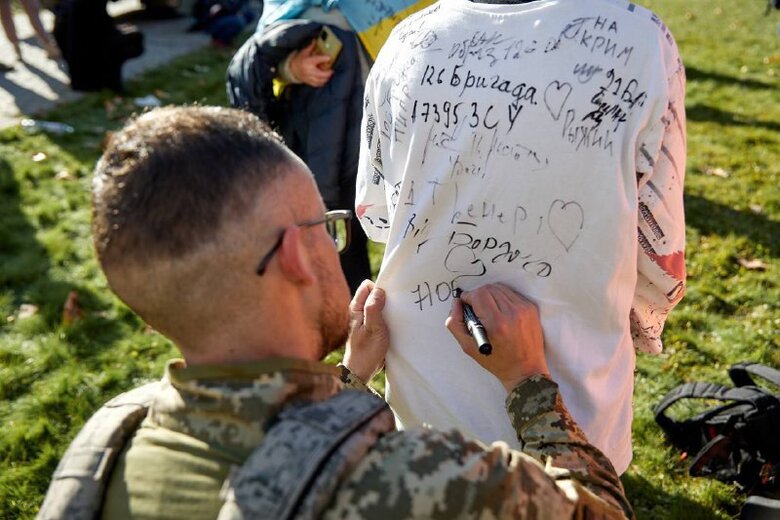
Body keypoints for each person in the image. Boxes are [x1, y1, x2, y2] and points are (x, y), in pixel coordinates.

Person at [39, 106, 633, 519]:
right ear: (298, 254)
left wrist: (349, 379)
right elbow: (600, 513)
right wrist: (527, 379)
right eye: (325, 226)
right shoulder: (420, 483)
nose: (335, 241)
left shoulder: (112, 442)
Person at [356, 0, 687, 474]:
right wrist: (636, 323)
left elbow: (378, 216)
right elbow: (661, 256)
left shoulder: (408, 41)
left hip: (426, 395)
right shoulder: (641, 39)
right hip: (575, 395)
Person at [227, 2, 373, 293]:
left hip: (399, 139)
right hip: (332, 152)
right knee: (342, 257)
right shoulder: (299, 8)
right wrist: (290, 69)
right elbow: (257, 71)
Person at [52, 0, 144, 91]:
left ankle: (95, 80)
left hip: (72, 46)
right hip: (89, 43)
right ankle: (111, 84)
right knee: (133, 38)